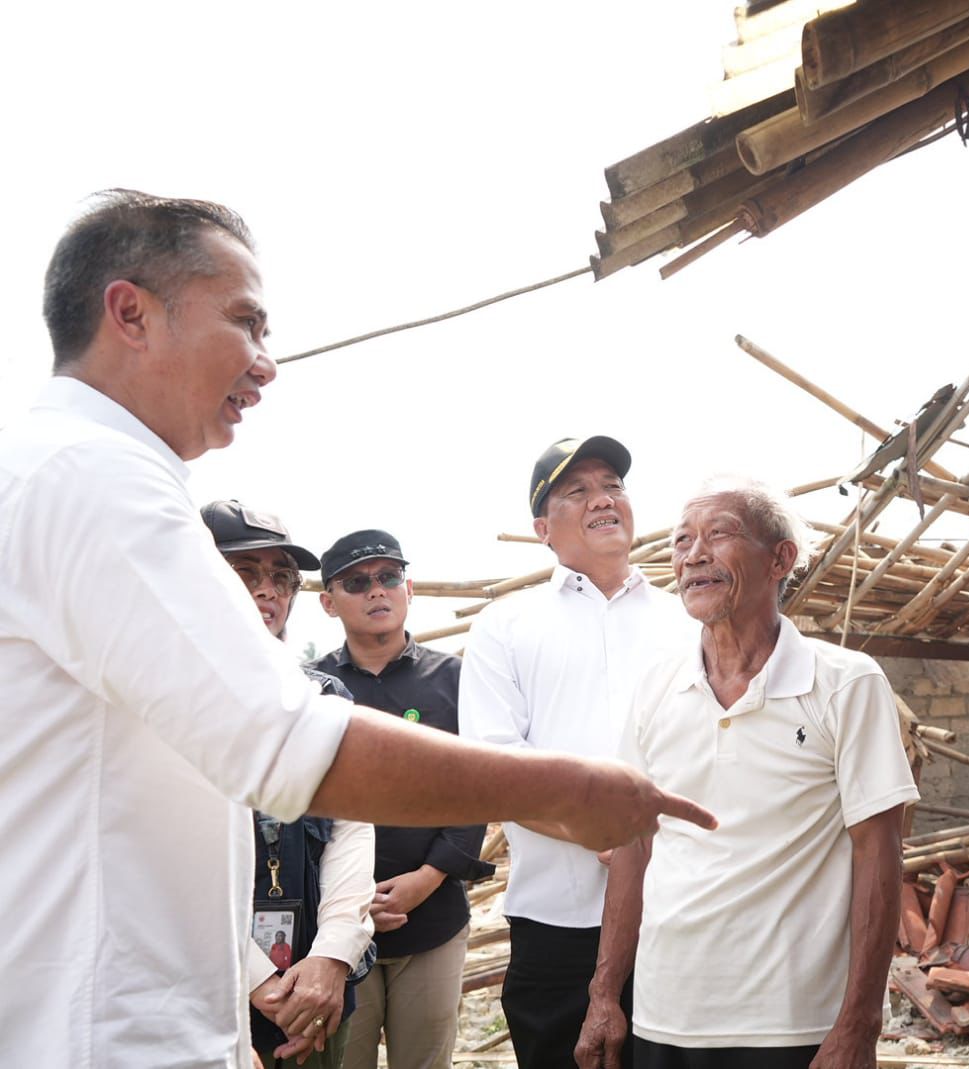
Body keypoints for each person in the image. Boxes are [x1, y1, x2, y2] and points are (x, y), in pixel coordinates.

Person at [0, 190, 714, 1069]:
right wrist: (558, 789)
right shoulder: (92, 479)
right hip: (98, 1034)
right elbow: (288, 743)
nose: (267, 363)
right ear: (131, 312)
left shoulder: (66, 473)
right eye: (245, 322)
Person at [576, 477, 919, 1069]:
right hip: (668, 1012)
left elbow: (879, 852)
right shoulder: (656, 687)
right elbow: (634, 844)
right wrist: (604, 994)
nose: (693, 555)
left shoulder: (845, 682)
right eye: (682, 542)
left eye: (719, 535)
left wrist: (859, 1024)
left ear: (780, 559)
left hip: (794, 1021)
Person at [459, 435, 697, 1069]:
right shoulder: (505, 626)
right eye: (578, 490)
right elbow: (493, 771)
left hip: (681, 909)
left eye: (613, 485)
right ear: (542, 527)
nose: (603, 499)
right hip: (559, 921)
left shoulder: (688, 622)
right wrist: (599, 835)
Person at [202, 498, 378, 1069]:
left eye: (281, 577)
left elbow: (353, 830)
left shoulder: (325, 699)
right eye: (244, 573)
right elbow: (165, 860)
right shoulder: (167, 698)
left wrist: (331, 959)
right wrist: (256, 982)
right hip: (207, 986)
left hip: (316, 988)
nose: (267, 591)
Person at [310, 530, 496, 1069]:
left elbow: (479, 791)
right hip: (336, 927)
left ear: (408, 588)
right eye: (357, 582)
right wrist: (351, 902)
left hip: (432, 919)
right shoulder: (313, 688)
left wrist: (427, 879)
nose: (377, 591)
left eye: (388, 577)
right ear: (328, 602)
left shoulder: (456, 680)